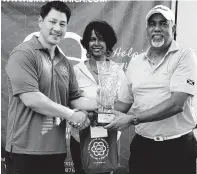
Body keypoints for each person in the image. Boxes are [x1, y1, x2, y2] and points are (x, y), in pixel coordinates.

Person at [5, 1, 98, 174]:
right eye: (52, 22)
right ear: (40, 21)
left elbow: (75, 99)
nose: (58, 28)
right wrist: (71, 114)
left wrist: (103, 102)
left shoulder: (64, 62)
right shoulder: (23, 54)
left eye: (62, 24)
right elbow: (32, 99)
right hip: (24, 153)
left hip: (56, 153)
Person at [105, 5, 197, 174]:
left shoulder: (185, 56)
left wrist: (132, 119)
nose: (157, 29)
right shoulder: (136, 62)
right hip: (143, 147)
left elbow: (177, 104)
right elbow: (123, 104)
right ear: (146, 29)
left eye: (163, 24)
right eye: (152, 24)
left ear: (173, 28)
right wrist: (96, 113)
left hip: (178, 148)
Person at [69, 20, 123, 174]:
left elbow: (124, 103)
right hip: (80, 138)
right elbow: (70, 102)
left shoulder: (117, 71)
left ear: (108, 43)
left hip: (109, 138)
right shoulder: (75, 71)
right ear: (86, 43)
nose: (97, 43)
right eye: (92, 39)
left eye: (101, 39)